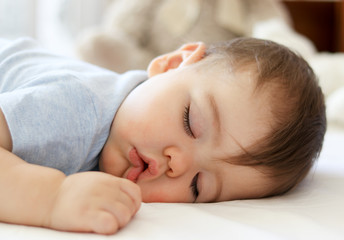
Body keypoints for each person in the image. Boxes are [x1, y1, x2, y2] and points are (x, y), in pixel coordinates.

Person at [0, 37, 326, 235]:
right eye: (190, 123)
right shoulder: (73, 107)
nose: (177, 163)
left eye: (198, 186)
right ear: (171, 64)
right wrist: (51, 197)